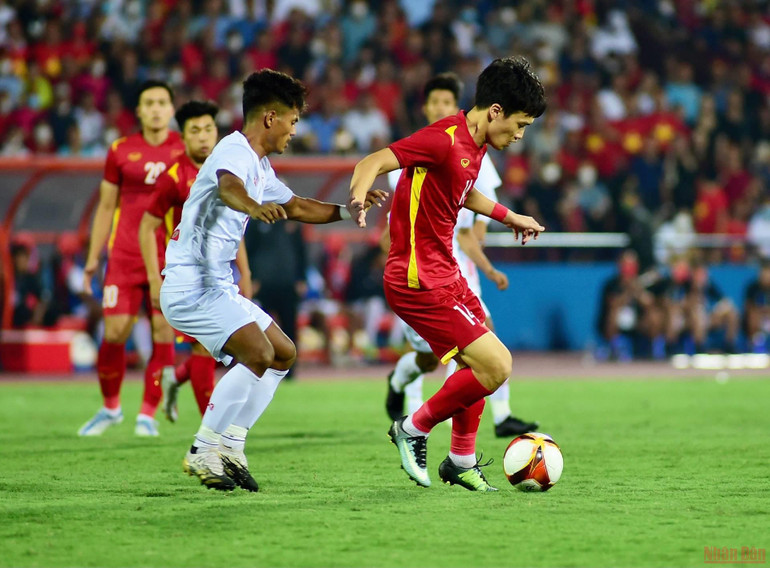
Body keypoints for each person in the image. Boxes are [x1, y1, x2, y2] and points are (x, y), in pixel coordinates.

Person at [160, 69, 386, 492]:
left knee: (283, 353)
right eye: (293, 120)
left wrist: (346, 210)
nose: (294, 130)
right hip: (190, 285)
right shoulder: (234, 150)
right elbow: (228, 188)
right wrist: (252, 205)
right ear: (269, 117)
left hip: (215, 285)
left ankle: (232, 443)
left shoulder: (260, 167)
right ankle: (202, 449)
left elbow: (298, 206)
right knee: (258, 353)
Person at [349, 57, 546, 491]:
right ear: (495, 110)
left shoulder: (476, 144)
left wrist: (509, 215)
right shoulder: (442, 138)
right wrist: (359, 197)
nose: (519, 135)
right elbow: (373, 161)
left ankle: (459, 460)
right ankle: (413, 428)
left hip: (447, 273)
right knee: (498, 366)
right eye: (520, 124)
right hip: (417, 280)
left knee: (477, 363)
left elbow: (464, 189)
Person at [382, 72, 538, 437]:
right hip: (419, 271)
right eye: (433, 102)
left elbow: (470, 227)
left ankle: (492, 424)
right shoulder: (423, 149)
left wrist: (487, 260)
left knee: (483, 347)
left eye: (446, 103)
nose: (440, 109)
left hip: (455, 268)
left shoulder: (481, 150)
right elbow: (396, 216)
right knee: (430, 358)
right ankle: (407, 403)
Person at [78, 80, 185, 437]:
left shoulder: (184, 150)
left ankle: (147, 415)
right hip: (124, 254)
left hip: (167, 255)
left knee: (162, 332)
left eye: (161, 102)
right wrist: (94, 257)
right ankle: (110, 408)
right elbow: (106, 206)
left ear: (171, 109)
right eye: (148, 103)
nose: (155, 109)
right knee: (115, 331)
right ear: (138, 111)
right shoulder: (120, 150)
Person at [137, 100, 252, 422]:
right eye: (194, 131)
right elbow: (147, 227)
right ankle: (210, 432)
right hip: (185, 276)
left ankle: (178, 378)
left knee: (218, 349)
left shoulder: (227, 172)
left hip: (219, 275)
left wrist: (245, 271)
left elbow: (232, 228)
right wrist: (153, 278)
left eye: (208, 129)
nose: (203, 137)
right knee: (206, 348)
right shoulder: (173, 177)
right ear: (183, 137)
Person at [744, 259, 770, 352]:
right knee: (753, 316)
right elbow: (748, 307)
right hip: (757, 318)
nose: (766, 276)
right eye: (764, 272)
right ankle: (755, 345)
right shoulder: (752, 287)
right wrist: (761, 311)